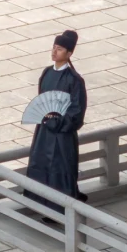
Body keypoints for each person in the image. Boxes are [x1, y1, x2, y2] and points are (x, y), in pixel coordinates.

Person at [27, 29, 87, 200]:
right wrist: (45, 118)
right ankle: (39, 202)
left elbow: (77, 111)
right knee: (41, 165)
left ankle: (59, 208)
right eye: (54, 47)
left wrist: (60, 122)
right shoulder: (46, 72)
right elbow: (42, 101)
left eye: (59, 49)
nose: (54, 52)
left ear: (69, 53)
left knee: (60, 170)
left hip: (62, 134)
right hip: (44, 130)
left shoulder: (74, 80)